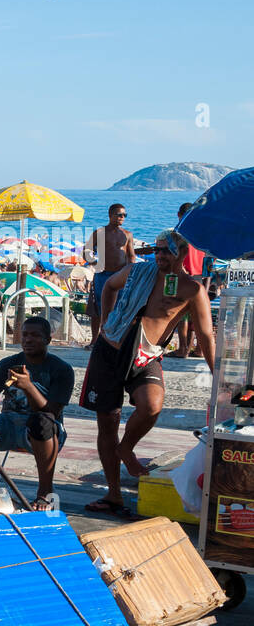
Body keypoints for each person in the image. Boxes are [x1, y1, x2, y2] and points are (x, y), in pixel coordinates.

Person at [80, 230, 215, 519]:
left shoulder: (192, 289)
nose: (160, 255)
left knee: (152, 405)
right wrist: (106, 321)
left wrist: (218, 375)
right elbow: (108, 287)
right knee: (108, 421)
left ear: (181, 254)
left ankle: (126, 448)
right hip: (111, 348)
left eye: (166, 250)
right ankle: (113, 494)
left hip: (145, 354)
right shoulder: (138, 271)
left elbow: (205, 336)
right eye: (157, 250)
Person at [0, 316, 74, 510]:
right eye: (24, 335)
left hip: (45, 432)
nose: (28, 340)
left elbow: (52, 412)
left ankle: (45, 493)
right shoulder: (7, 364)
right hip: (8, 425)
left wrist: (28, 386)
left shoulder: (61, 369)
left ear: (48, 340)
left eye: (35, 335)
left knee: (41, 421)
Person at [83, 203, 134, 346]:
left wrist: (130, 272)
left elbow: (131, 256)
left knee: (120, 307)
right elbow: (86, 251)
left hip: (121, 276)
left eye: (124, 215)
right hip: (102, 275)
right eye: (119, 215)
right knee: (97, 308)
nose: (122, 218)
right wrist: (95, 262)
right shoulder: (99, 233)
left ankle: (114, 339)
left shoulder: (127, 234)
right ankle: (94, 340)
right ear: (110, 215)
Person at [165, 202, 209, 358]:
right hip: (199, 276)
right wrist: (207, 280)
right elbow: (210, 260)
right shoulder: (202, 233)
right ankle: (197, 349)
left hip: (183, 274)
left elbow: (173, 255)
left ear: (179, 215)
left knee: (181, 314)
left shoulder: (178, 232)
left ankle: (183, 348)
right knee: (196, 314)